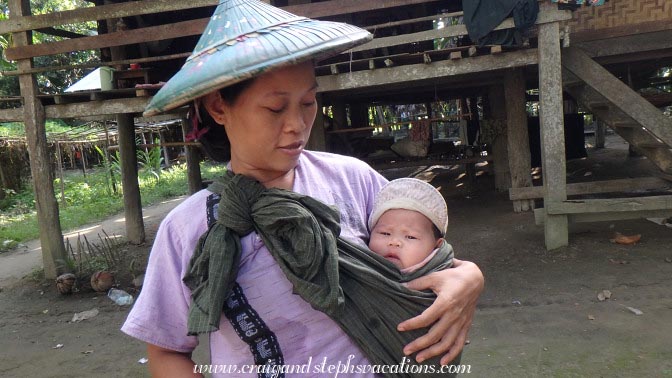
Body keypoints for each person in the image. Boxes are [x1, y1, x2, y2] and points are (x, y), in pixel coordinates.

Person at [122, 1, 484, 376]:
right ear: (218, 107)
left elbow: (428, 252)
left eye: (309, 102)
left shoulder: (352, 180)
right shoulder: (188, 228)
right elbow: (166, 354)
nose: (297, 124)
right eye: (276, 109)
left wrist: (470, 277)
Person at [368, 178, 452, 273]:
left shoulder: (448, 281)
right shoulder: (358, 273)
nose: (394, 242)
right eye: (385, 233)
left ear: (437, 247)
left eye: (411, 237)